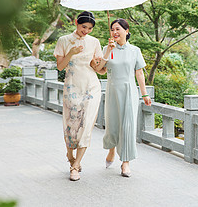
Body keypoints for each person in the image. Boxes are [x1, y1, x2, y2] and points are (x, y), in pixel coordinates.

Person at [93, 18, 151, 177]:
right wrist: (106, 52)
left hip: (129, 91)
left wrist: (144, 94)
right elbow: (99, 69)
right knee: (112, 124)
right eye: (112, 29)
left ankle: (125, 162)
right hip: (112, 91)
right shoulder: (107, 48)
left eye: (118, 29)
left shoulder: (135, 50)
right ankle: (111, 149)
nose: (115, 32)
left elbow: (139, 73)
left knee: (127, 125)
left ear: (127, 31)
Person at [54, 11, 103, 181]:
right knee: (71, 123)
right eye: (84, 27)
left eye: (90, 28)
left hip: (92, 86)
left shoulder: (95, 42)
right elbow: (60, 67)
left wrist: (108, 51)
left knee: (87, 124)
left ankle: (75, 166)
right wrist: (71, 53)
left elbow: (98, 68)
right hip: (72, 86)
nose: (86, 31)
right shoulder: (64, 40)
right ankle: (70, 155)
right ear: (76, 23)